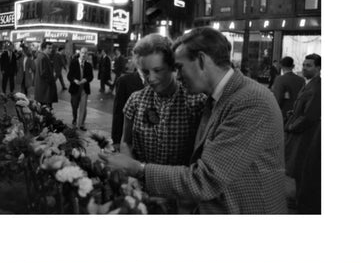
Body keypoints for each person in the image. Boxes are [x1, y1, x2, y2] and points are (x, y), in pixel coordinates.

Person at [101, 27, 287, 214]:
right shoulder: (218, 98)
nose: (179, 76)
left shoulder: (250, 100)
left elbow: (206, 179)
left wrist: (138, 169)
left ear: (201, 60)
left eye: (179, 67)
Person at [119, 34, 206, 167]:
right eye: (145, 72)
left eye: (157, 70)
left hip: (179, 183)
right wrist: (130, 173)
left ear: (172, 66)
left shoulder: (196, 102)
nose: (151, 78)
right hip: (141, 183)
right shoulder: (135, 100)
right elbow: (126, 142)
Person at [284, 53, 321, 214]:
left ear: (318, 68)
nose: (304, 68)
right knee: (298, 168)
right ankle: (298, 199)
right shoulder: (308, 84)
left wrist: (292, 127)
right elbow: (302, 108)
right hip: (300, 132)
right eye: (304, 65)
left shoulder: (317, 87)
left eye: (309, 65)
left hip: (305, 136)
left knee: (302, 167)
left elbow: (309, 116)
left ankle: (302, 202)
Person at [111, 66, 145, 148]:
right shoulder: (124, 81)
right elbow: (118, 112)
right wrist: (116, 141)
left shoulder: (159, 82)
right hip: (132, 141)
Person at [271, 56, 305, 123]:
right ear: (293, 66)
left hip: (284, 114)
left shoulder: (279, 79)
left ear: (281, 66)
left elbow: (278, 99)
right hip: (297, 113)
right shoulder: (301, 80)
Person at [67, 47, 94, 130]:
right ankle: (75, 118)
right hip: (75, 88)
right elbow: (69, 75)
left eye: (85, 53)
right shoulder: (74, 63)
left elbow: (91, 76)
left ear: (87, 55)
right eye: (82, 53)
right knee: (74, 106)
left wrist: (85, 80)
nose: (84, 55)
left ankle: (81, 124)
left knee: (83, 107)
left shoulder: (88, 65)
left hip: (84, 89)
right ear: (80, 53)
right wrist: (74, 80)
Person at [34, 41, 58, 108]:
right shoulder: (43, 57)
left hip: (43, 89)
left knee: (44, 109)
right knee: (46, 109)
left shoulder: (43, 56)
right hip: (45, 89)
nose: (51, 49)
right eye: (49, 48)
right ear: (44, 48)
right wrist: (51, 81)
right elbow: (44, 73)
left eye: (51, 48)